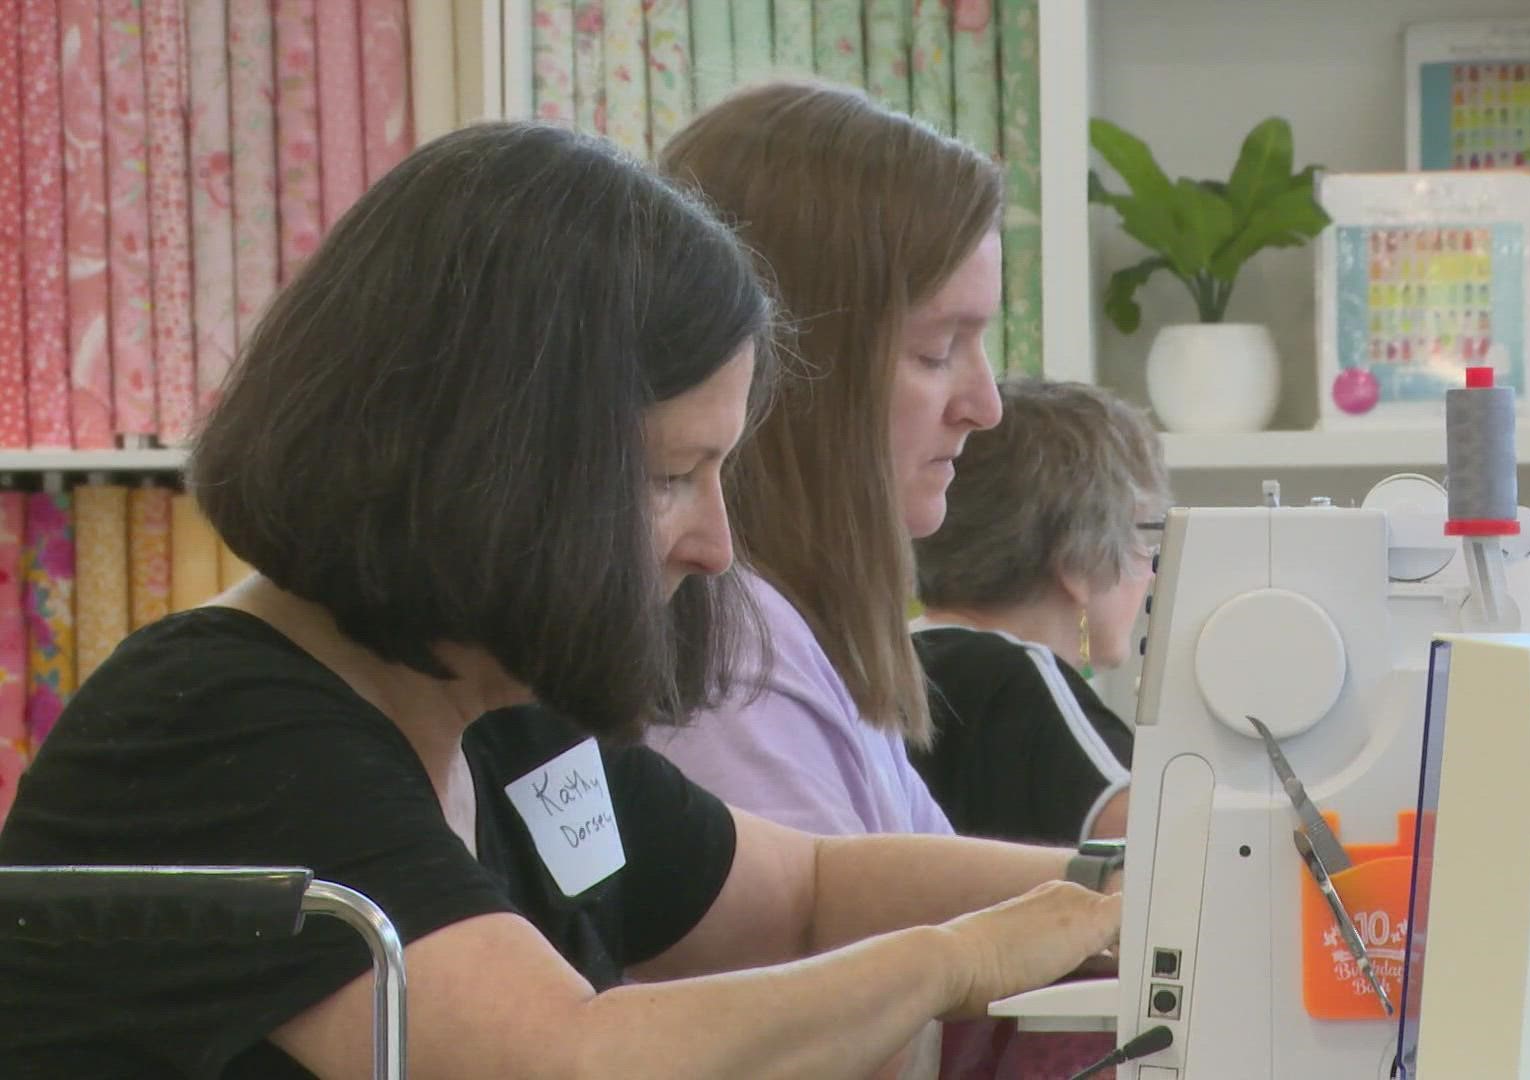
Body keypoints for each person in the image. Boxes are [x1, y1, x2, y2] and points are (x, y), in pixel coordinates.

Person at [0, 121, 1118, 1079]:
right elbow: (570, 1059)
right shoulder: (219, 728)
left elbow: (811, 890)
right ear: (496, 463)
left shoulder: (495, 717)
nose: (717, 546)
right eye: (669, 477)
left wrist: (1137, 887)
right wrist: (957, 961)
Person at [646, 82, 1125, 1080]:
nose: (985, 404)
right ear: (797, 370)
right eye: (938, 350)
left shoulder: (797, 641)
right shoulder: (729, 663)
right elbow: (840, 1026)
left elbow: (841, 893)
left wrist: (1158, 895)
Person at [911, 379, 1171, 847]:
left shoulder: (897, 660)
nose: (1150, 571)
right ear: (1081, 557)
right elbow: (1167, 845)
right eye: (1140, 535)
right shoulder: (1019, 679)